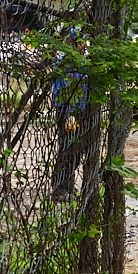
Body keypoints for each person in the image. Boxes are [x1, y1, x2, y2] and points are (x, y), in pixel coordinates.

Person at [51, 31, 89, 199]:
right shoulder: (64, 64)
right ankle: (59, 188)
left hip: (80, 112)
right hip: (67, 112)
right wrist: (68, 113)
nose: (83, 46)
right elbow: (61, 90)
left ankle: (68, 184)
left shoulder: (84, 63)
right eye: (80, 42)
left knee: (76, 151)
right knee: (66, 149)